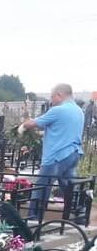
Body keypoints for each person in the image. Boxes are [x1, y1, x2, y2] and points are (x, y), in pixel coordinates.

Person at [21, 84, 85, 221]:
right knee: (70, 187)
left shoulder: (58, 110)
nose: (51, 100)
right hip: (73, 153)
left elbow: (30, 124)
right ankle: (80, 214)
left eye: (52, 97)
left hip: (56, 156)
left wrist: (23, 123)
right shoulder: (78, 111)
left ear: (59, 95)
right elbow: (58, 130)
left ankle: (33, 220)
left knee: (41, 188)